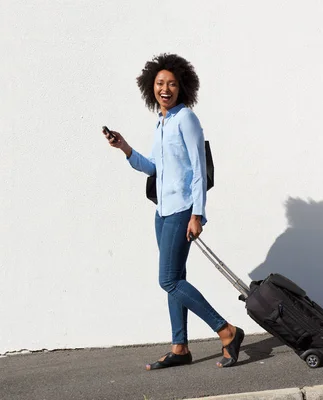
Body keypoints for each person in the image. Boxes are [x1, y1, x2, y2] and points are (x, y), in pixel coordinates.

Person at [102, 53, 244, 370]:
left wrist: (198, 215)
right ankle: (179, 347)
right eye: (160, 84)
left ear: (182, 88)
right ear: (151, 87)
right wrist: (125, 148)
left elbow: (198, 171)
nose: (165, 89)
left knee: (167, 280)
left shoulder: (186, 119)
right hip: (162, 213)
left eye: (172, 84)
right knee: (176, 277)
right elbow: (153, 166)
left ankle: (226, 331)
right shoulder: (162, 123)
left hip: (182, 211)